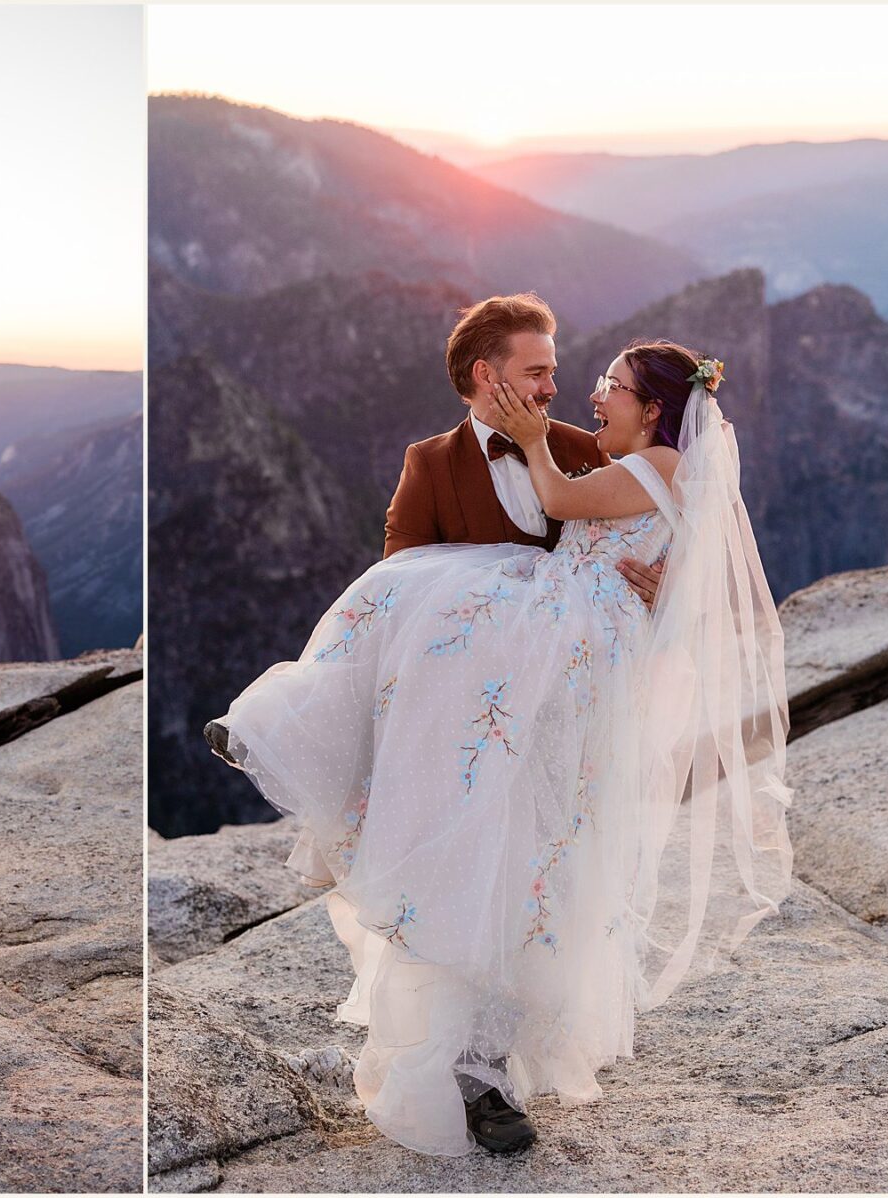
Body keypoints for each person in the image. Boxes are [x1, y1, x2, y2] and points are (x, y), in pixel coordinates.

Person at [208, 337, 793, 1157]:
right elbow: (412, 567)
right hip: (527, 664)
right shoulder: (442, 461)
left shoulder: (615, 456)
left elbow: (627, 529)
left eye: (605, 384)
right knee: (402, 600)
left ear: (654, 408)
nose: (578, 393)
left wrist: (668, 597)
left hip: (567, 670)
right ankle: (291, 729)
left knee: (530, 862)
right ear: (488, 376)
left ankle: (489, 1070)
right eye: (546, 374)